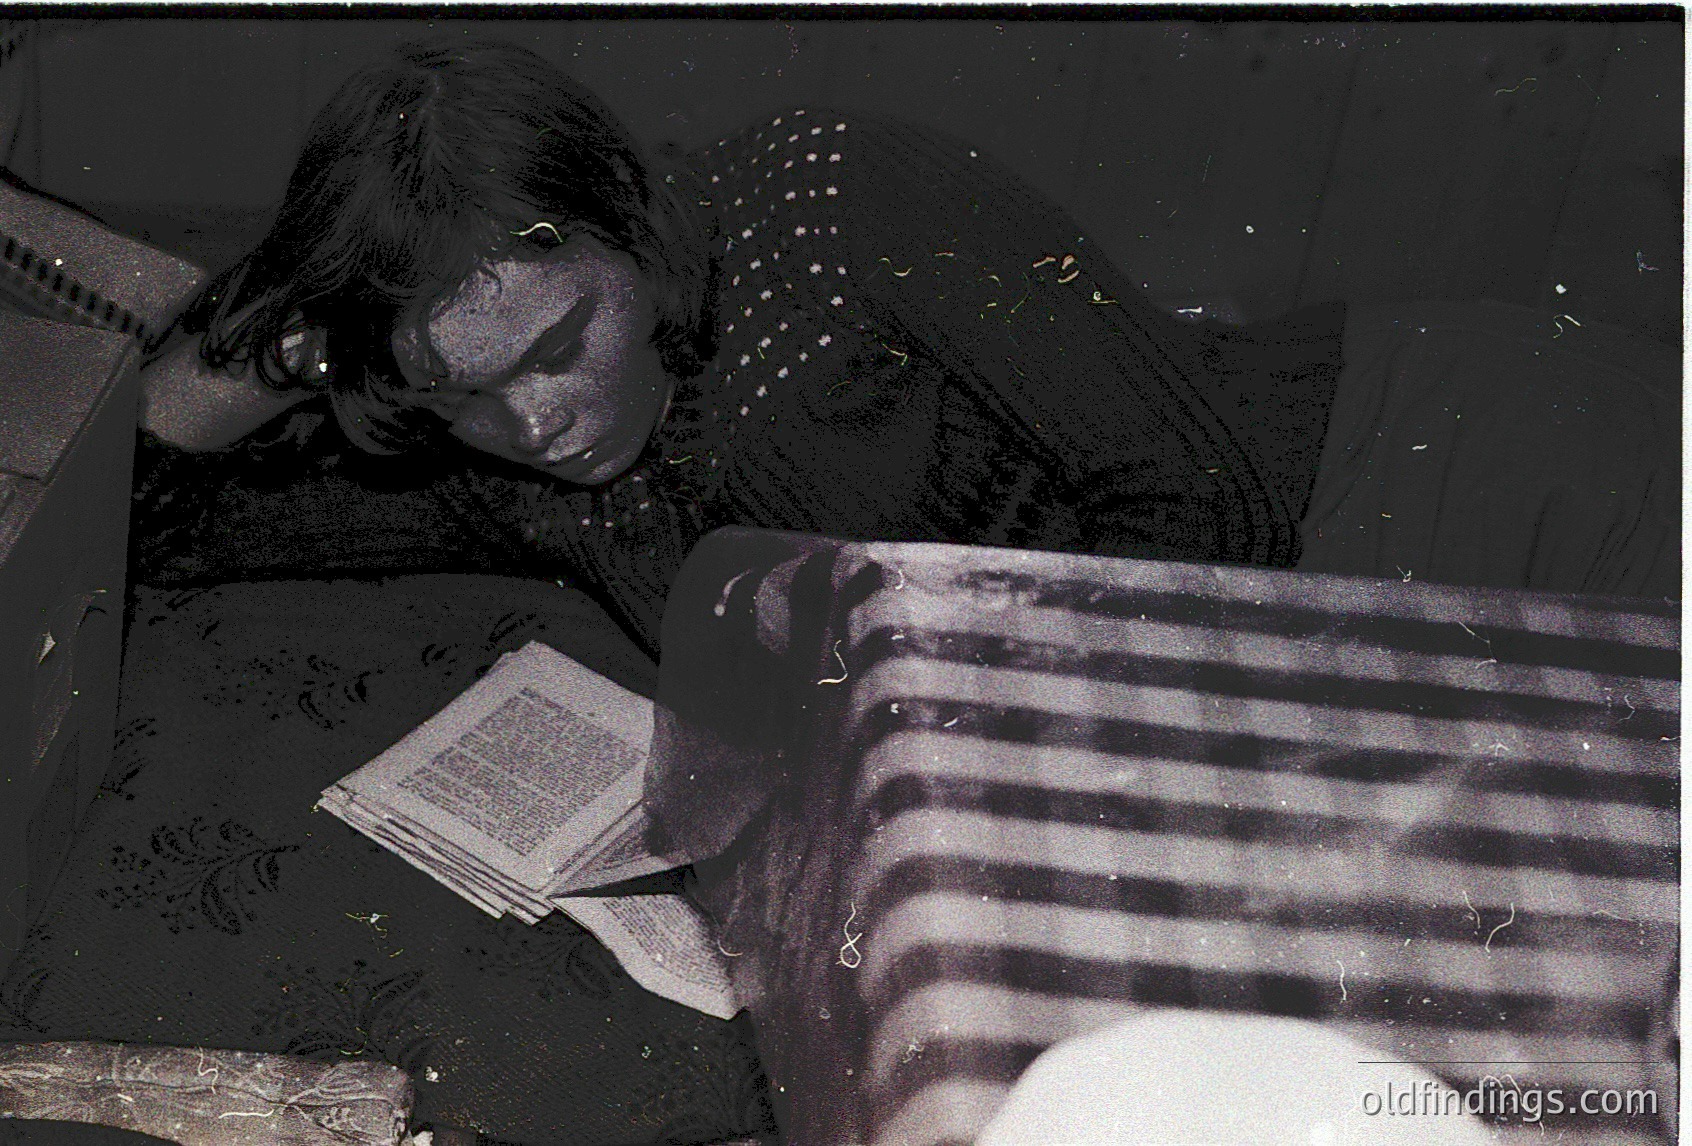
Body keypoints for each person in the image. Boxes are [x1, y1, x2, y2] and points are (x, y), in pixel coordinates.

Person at [132, 36, 1677, 661]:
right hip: (1300, 642)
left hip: (1445, 471)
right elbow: (150, 537)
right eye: (468, 397)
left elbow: (1194, 501)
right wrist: (252, 350)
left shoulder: (827, 195)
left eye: (555, 343)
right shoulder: (514, 465)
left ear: (628, 229)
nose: (534, 421)